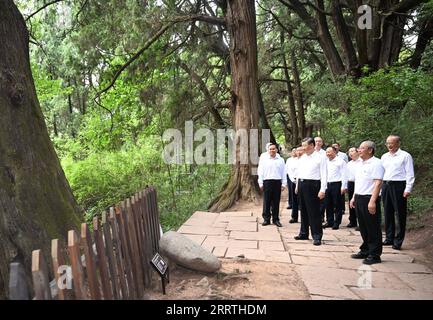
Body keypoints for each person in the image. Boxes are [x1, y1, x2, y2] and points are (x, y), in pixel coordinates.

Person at [350, 141, 384, 265]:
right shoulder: (359, 163)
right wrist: (353, 197)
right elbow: (358, 182)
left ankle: (375, 254)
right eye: (359, 148)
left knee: (372, 226)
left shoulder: (376, 163)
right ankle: (365, 249)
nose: (359, 150)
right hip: (359, 197)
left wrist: (372, 201)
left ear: (370, 150)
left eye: (362, 148)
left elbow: (378, 183)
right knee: (363, 226)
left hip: (369, 198)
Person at [381, 135, 415, 250]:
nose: (389, 145)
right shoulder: (384, 156)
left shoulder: (405, 156)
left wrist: (408, 189)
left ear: (398, 143)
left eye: (392, 143)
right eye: (387, 143)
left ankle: (398, 240)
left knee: (400, 213)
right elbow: (382, 172)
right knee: (387, 212)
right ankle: (389, 238)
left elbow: (410, 173)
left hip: (399, 186)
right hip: (386, 185)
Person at [294, 137, 327, 246]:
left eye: (305, 145)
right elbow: (299, 172)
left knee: (314, 211)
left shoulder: (320, 157)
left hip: (313, 185)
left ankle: (317, 235)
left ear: (312, 145)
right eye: (302, 145)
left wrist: (323, 189)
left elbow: (324, 174)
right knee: (303, 210)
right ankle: (303, 233)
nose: (303, 148)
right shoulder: (303, 158)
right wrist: (297, 186)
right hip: (302, 184)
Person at [258, 143, 287, 227]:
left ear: (276, 150)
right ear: (268, 150)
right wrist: (260, 182)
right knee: (267, 201)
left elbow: (283, 172)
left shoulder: (280, 160)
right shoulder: (264, 159)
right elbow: (260, 171)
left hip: (277, 182)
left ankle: (276, 219)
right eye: (270, 149)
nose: (272, 150)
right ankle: (266, 219)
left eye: (273, 149)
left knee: (276, 201)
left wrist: (284, 183)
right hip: (267, 182)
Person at [323, 146, 347, 230]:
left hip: (337, 184)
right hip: (327, 185)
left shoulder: (341, 162)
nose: (328, 154)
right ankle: (330, 221)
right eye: (326, 152)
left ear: (334, 152)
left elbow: (344, 174)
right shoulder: (326, 162)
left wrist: (343, 186)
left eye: (329, 152)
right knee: (327, 204)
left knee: (337, 204)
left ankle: (337, 222)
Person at [346, 147, 362, 228]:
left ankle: (360, 222)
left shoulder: (361, 162)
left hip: (359, 183)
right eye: (349, 151)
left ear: (357, 152)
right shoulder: (349, 163)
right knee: (351, 202)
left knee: (358, 202)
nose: (350, 153)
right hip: (350, 183)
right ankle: (352, 221)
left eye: (352, 151)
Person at [288, 147, 303, 223]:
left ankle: (305, 218)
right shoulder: (292, 161)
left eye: (301, 150)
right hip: (293, 181)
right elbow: (289, 171)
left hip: (303, 181)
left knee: (303, 200)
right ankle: (294, 217)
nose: (299, 152)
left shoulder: (305, 160)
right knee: (294, 200)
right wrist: (293, 180)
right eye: (298, 150)